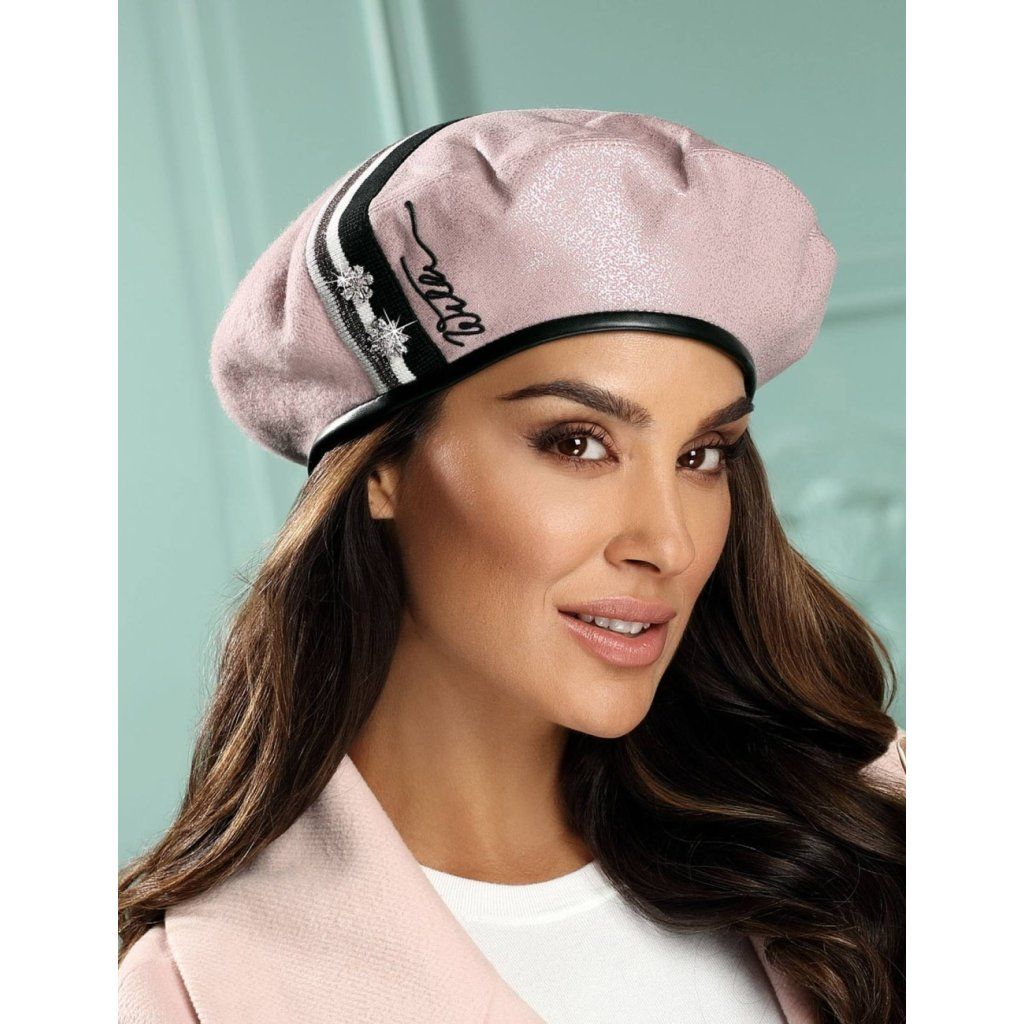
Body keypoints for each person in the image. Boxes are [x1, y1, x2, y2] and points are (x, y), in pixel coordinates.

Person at [118, 108, 906, 1024]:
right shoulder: (201, 993)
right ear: (380, 470)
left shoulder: (883, 844)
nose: (670, 544)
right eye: (577, 443)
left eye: (701, 455)